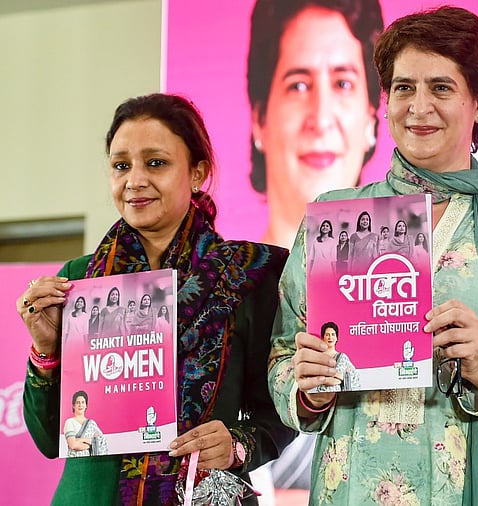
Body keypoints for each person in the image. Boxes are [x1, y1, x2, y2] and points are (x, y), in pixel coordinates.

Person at [267, 6, 478, 505]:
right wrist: (308, 389)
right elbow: (284, 356)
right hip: (352, 488)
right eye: (404, 88)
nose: (418, 106)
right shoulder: (335, 219)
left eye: (441, 88)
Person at [19, 93, 295, 504]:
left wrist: (237, 446)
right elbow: (48, 439)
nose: (135, 180)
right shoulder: (78, 282)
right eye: (121, 165)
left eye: (156, 163)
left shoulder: (249, 274)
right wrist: (45, 351)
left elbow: (280, 412)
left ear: (197, 172)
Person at [247, 0, 385, 249]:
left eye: (342, 84)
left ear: (370, 117)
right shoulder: (219, 286)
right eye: (298, 86)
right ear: (260, 119)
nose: (321, 121)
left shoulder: (412, 280)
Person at [307, 322, 359, 393]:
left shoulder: (342, 357)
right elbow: (315, 378)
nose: (330, 337)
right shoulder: (318, 357)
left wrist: (340, 377)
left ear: (337, 338)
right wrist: (339, 376)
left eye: (333, 334)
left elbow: (351, 378)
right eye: (327, 335)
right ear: (322, 338)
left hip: (337, 397)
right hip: (319, 396)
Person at [63, 390, 108, 457]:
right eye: (78, 402)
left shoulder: (92, 424)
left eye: (83, 402)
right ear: (73, 405)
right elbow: (73, 445)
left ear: (86, 405)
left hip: (90, 462)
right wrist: (91, 444)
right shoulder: (70, 422)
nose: (80, 405)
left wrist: (80, 440)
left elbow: (100, 441)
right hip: (74, 461)